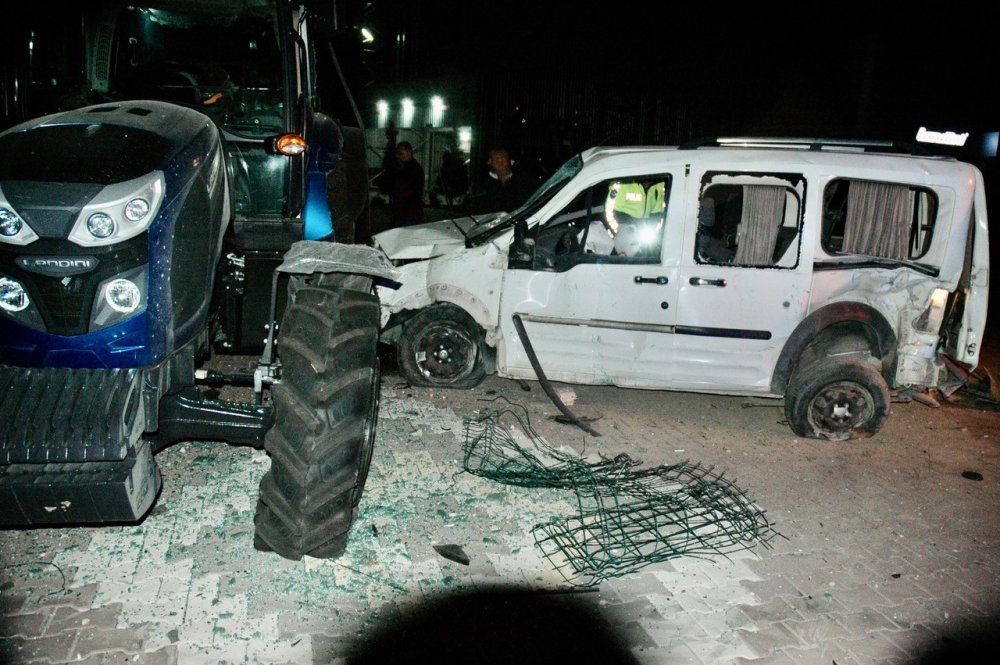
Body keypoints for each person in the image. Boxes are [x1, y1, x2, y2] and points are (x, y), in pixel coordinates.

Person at [468, 147, 536, 214]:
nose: (488, 162)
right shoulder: (488, 184)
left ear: (502, 161)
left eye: (491, 159)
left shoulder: (524, 182)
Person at [390, 141, 424, 226]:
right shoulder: (411, 168)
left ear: (409, 152)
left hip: (407, 212)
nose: (397, 156)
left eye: (400, 153)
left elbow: (404, 191)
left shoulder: (411, 170)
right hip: (408, 212)